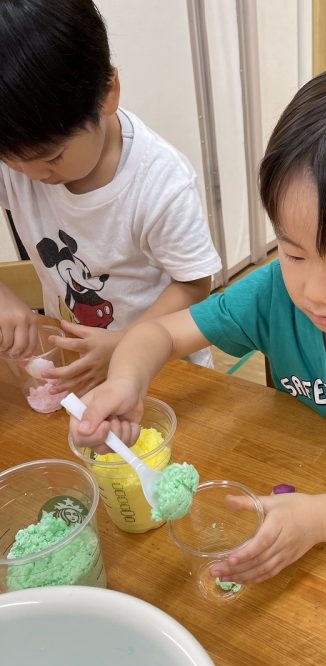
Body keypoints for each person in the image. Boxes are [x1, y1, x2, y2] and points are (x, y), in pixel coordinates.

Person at [71, 57, 326, 584]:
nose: (314, 291)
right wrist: (127, 381)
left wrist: (324, 518)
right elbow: (159, 333)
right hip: (288, 481)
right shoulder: (274, 293)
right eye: (294, 253)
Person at [0, 0, 221, 393]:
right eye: (13, 163)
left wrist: (126, 345)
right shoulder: (20, 153)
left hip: (165, 371)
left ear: (108, 94)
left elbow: (193, 285)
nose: (32, 176)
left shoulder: (160, 182)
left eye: (52, 158)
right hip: (80, 364)